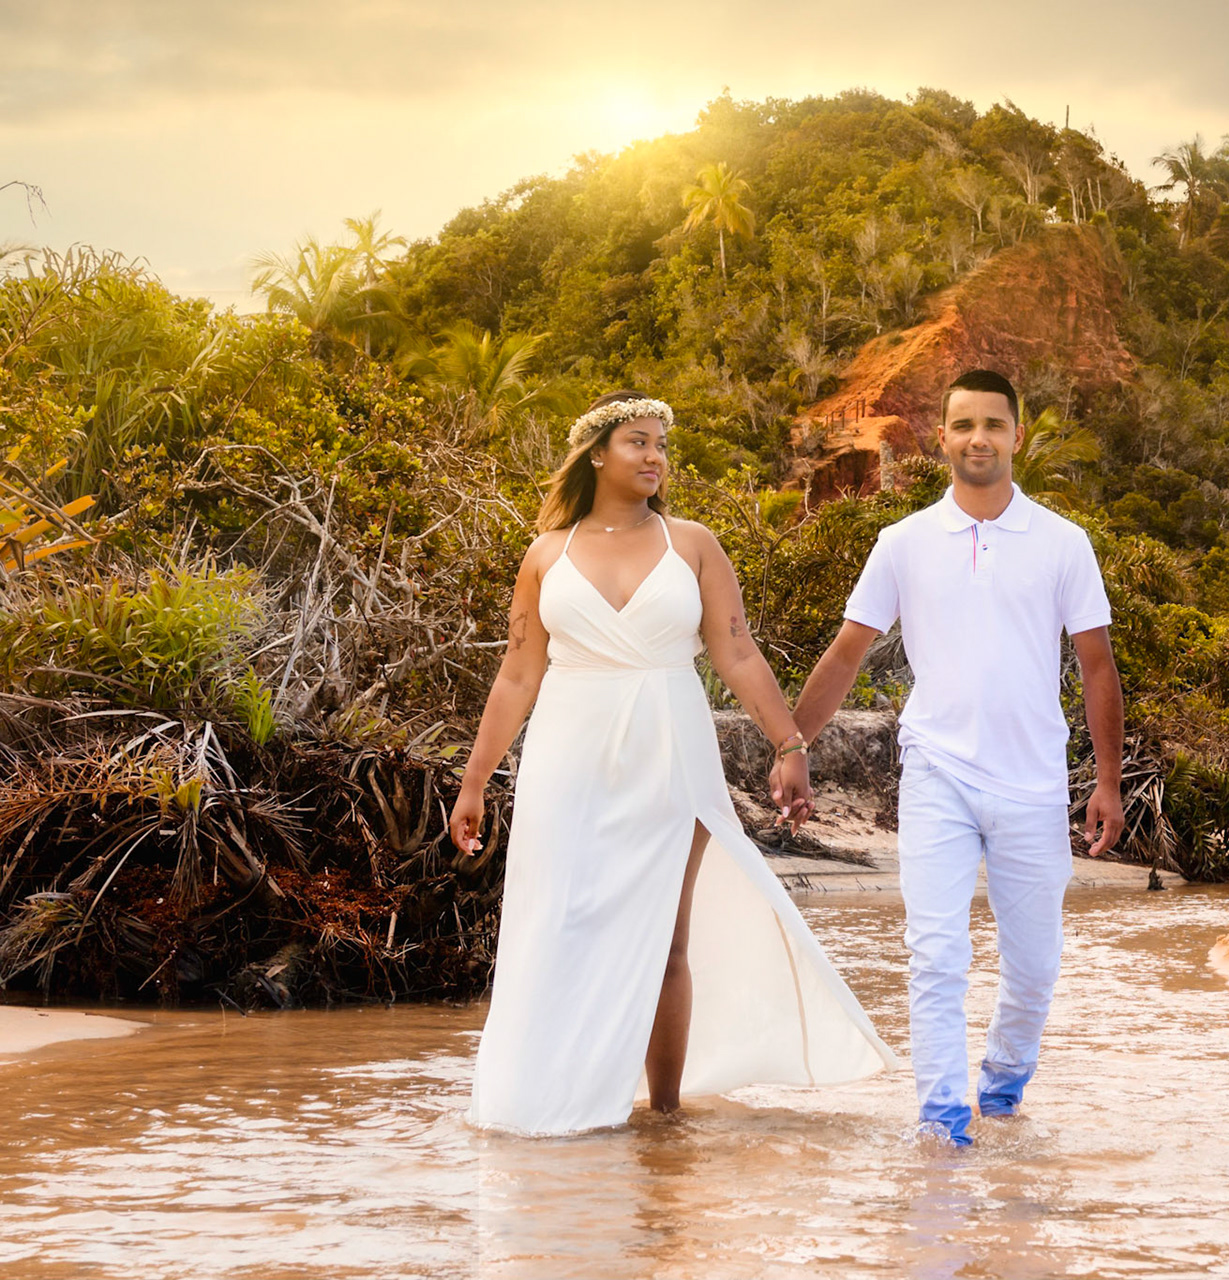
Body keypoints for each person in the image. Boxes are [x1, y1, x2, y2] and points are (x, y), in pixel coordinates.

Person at [450, 391, 894, 1137]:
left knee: (667, 935)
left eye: (662, 444)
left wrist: (790, 745)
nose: (655, 456)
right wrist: (473, 782)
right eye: (638, 442)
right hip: (567, 752)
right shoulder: (545, 556)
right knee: (555, 921)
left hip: (668, 747)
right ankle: (547, 1099)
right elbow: (517, 676)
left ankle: (663, 1112)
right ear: (597, 453)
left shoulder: (692, 544)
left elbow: (738, 651)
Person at [784, 369, 1125, 1146]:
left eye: (993, 425)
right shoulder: (901, 544)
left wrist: (1105, 782)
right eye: (964, 424)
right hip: (936, 772)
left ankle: (1001, 1090)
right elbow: (846, 654)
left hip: (1034, 781)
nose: (979, 438)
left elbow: (1097, 666)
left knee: (1034, 967)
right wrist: (792, 746)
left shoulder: (1063, 543)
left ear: (1017, 436)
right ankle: (943, 1126)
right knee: (935, 954)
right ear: (942, 437)